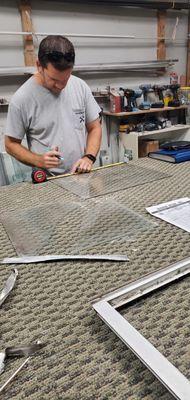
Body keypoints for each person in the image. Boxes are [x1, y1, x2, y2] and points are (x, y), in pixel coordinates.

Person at [5, 35, 102, 175]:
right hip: (48, 182)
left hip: (81, 176)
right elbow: (10, 144)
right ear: (39, 66)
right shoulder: (22, 99)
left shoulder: (80, 86)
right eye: (54, 79)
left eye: (66, 78)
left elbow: (95, 127)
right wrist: (39, 160)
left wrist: (89, 157)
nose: (61, 85)